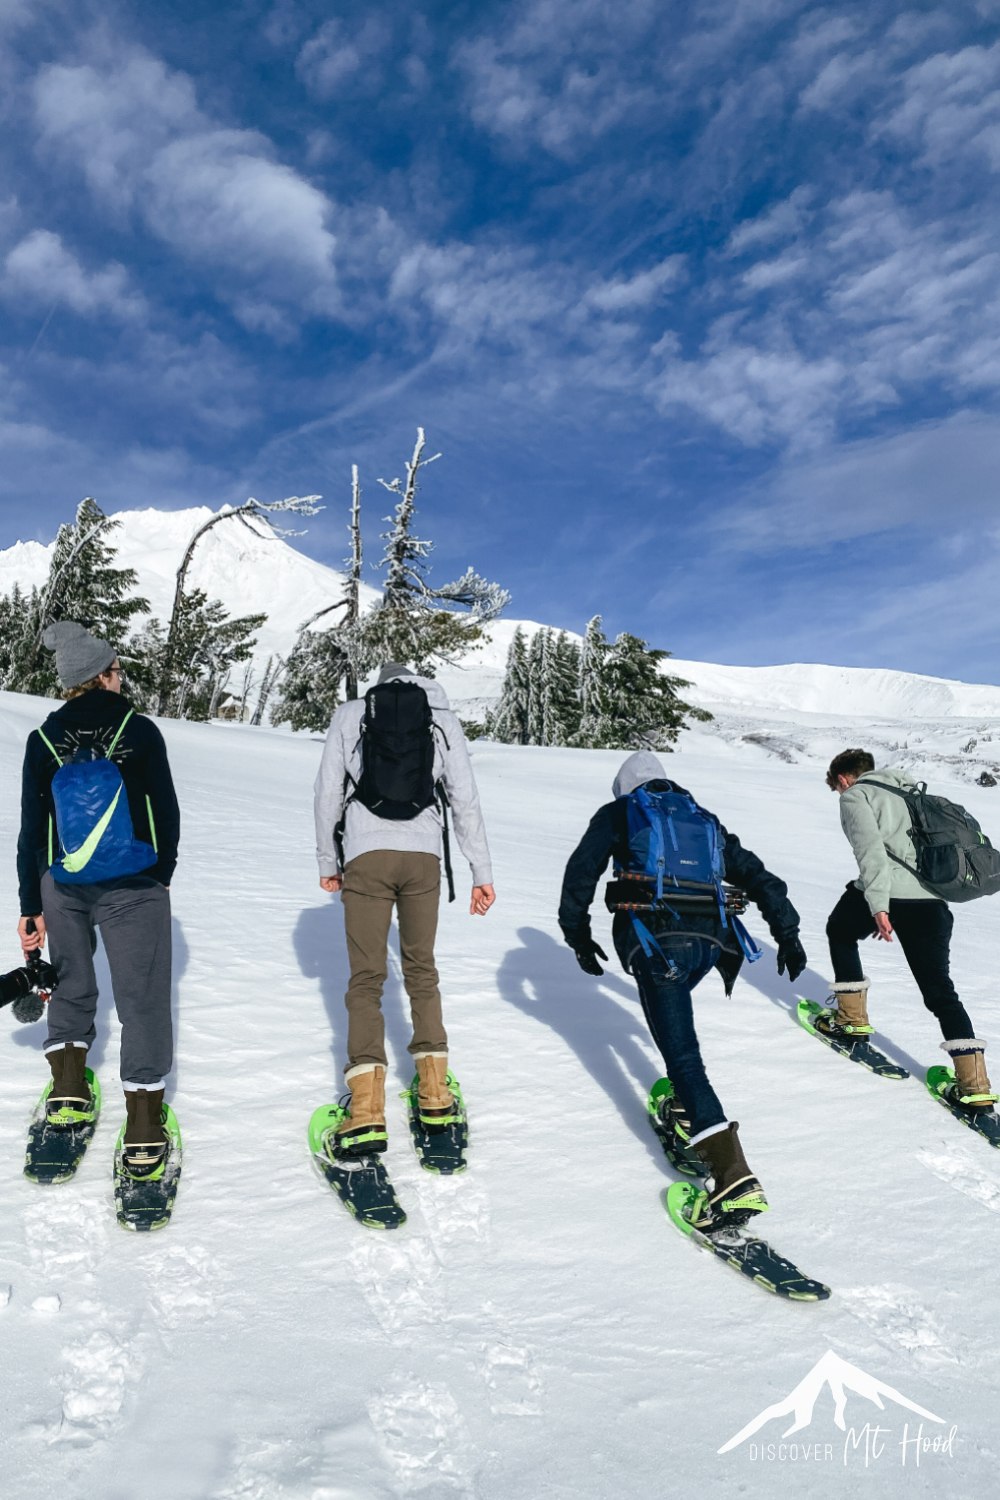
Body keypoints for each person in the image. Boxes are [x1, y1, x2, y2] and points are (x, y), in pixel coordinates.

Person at [558, 751, 806, 1232]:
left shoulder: (621, 813)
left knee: (685, 1060)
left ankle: (733, 1180)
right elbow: (758, 875)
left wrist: (578, 935)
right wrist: (789, 932)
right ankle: (685, 1107)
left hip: (656, 944)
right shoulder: (702, 818)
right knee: (678, 1037)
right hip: (711, 945)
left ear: (624, 788)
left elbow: (581, 871)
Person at [17, 621, 180, 1177]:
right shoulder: (139, 729)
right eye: (116, 670)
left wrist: (29, 905)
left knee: (70, 980)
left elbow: (32, 831)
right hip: (135, 885)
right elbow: (165, 809)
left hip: (61, 885)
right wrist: (161, 874)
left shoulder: (42, 740)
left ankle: (67, 1092)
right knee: (142, 998)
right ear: (103, 675)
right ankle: (142, 1127)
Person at [314, 663, 495, 1155]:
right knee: (421, 970)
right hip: (423, 857)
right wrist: (482, 872)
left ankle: (366, 1111)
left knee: (366, 979)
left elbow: (328, 790)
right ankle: (435, 1094)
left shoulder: (352, 714)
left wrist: (329, 859)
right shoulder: (442, 720)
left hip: (366, 854)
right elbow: (465, 799)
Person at [821, 748, 997, 1109]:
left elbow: (870, 854)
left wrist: (879, 907)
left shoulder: (857, 796)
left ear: (843, 779)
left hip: (890, 894)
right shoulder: (911, 792)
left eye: (836, 789)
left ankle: (851, 1021)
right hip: (931, 904)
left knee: (839, 930)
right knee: (940, 992)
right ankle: (975, 1087)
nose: (840, 795)